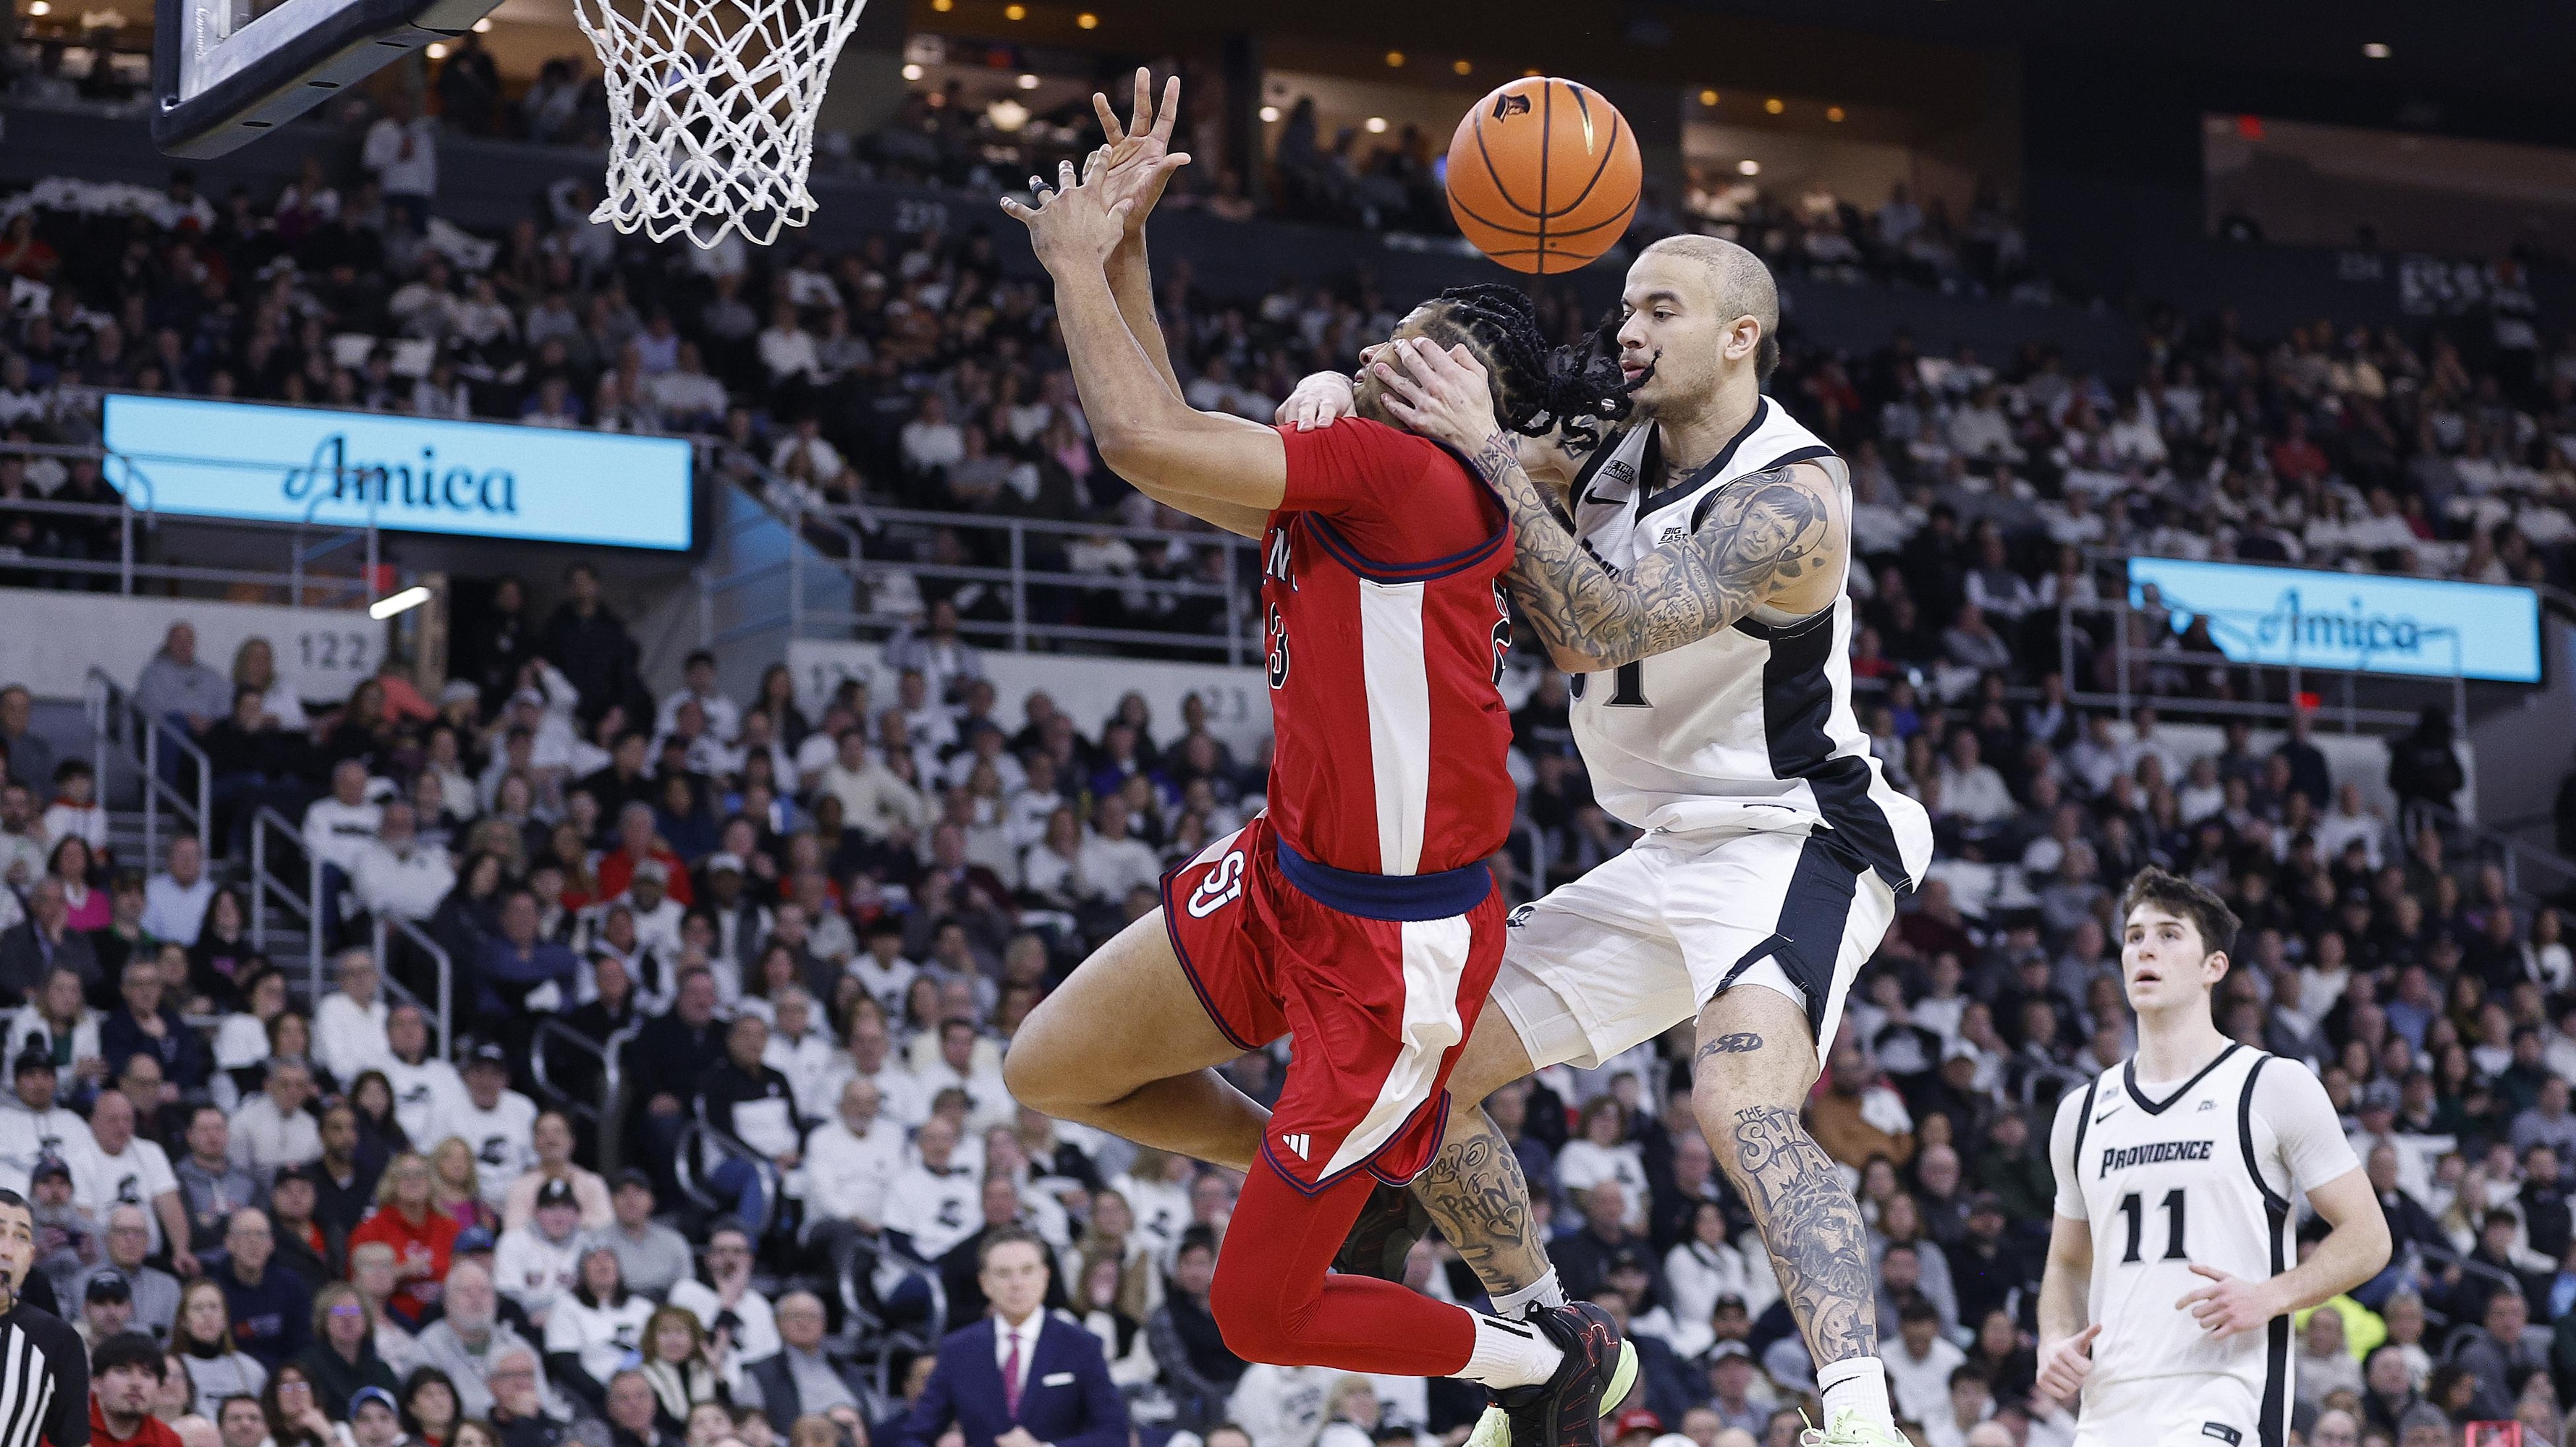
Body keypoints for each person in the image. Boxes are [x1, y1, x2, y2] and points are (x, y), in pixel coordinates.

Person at [993, 73, 1630, 1437]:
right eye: (1389, 334)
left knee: (1259, 1320)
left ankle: (1543, 1359)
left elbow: (1132, 435)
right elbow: (1172, 461)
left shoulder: (1410, 484)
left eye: (1425, 348)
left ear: (1478, 406)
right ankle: (1358, 1170)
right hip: (1290, 878)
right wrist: (1126, 243)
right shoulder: (1346, 469)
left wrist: (1064, 263)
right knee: (1050, 1070)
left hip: (1389, 952)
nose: (1387, 351)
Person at [1282, 224, 1934, 1447]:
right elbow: (1402, 452)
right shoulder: (1597, 443)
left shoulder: (1792, 498)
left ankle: (1860, 1420)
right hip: (1659, 848)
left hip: (1797, 832)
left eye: (1664, 309)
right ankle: (1550, 1354)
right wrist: (1330, 394)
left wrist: (1486, 447)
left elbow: (1597, 627)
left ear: (1740, 337)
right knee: (1427, 1062)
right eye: (1626, 307)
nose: (1629, 329)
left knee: (1740, 1104)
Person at [2034, 870, 2394, 1447]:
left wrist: (2271, 1295)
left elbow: (2370, 1237)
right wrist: (2054, 1338)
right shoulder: (2080, 1112)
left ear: (2213, 967)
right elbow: (2068, 1263)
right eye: (2133, 937)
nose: (2145, 948)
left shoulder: (2272, 1086)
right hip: (2108, 1404)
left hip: (2225, 1393)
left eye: (2170, 935)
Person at [895, 1229, 1124, 1447]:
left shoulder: (1082, 1346)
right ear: (985, 1283)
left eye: (1027, 1271)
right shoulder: (957, 1350)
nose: (1017, 1284)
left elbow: (1113, 1435)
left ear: (1045, 1276)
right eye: (1004, 1273)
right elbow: (916, 1434)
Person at [346, 1153, 458, 1329]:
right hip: (392, 1320)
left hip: (447, 1317)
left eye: (419, 1174)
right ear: (392, 1183)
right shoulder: (370, 1230)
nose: (412, 1181)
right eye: (404, 1175)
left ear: (431, 1182)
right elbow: (355, 1284)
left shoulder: (450, 1228)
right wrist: (399, 1271)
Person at [735, 1291, 873, 1433]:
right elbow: (750, 1427)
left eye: (812, 1316)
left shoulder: (845, 1368)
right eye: (795, 1316)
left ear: (824, 1323)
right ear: (778, 1322)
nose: (804, 1322)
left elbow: (876, 1415)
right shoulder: (759, 1373)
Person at [539, 1246, 650, 1413]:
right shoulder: (566, 1308)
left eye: (608, 1257)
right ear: (581, 1272)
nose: (602, 1264)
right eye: (593, 1259)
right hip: (595, 1398)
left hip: (645, 1394)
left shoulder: (643, 1308)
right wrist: (608, 1397)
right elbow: (564, 1362)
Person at [215, 1210, 312, 1370]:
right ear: (229, 1243)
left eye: (261, 1235)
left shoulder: (291, 1285)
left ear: (271, 1244)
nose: (254, 1242)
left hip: (282, 1379)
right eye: (245, 1234)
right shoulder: (215, 1291)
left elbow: (303, 1345)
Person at [296, 1283, 401, 1422]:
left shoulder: (381, 1371)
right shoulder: (307, 1368)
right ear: (323, 1320)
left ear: (367, 1320)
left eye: (354, 1311)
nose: (347, 1318)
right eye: (338, 1312)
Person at [173, 1279, 266, 1418]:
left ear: (225, 1320)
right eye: (198, 1308)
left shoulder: (251, 1370)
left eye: (214, 1307)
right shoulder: (171, 1370)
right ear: (184, 1321)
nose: (207, 1315)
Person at [593, 1172, 690, 1304]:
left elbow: (686, 1287)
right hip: (617, 1308)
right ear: (611, 1201)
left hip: (666, 1311)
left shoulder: (674, 1241)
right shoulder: (596, 1240)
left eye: (638, 1193)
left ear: (651, 1201)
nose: (631, 1201)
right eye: (622, 1193)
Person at [92, 1330, 184, 1447]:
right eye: (123, 1371)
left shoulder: (168, 1441)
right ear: (96, 1382)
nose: (136, 1383)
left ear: (160, 1388)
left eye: (147, 1374)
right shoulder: (68, 1430)